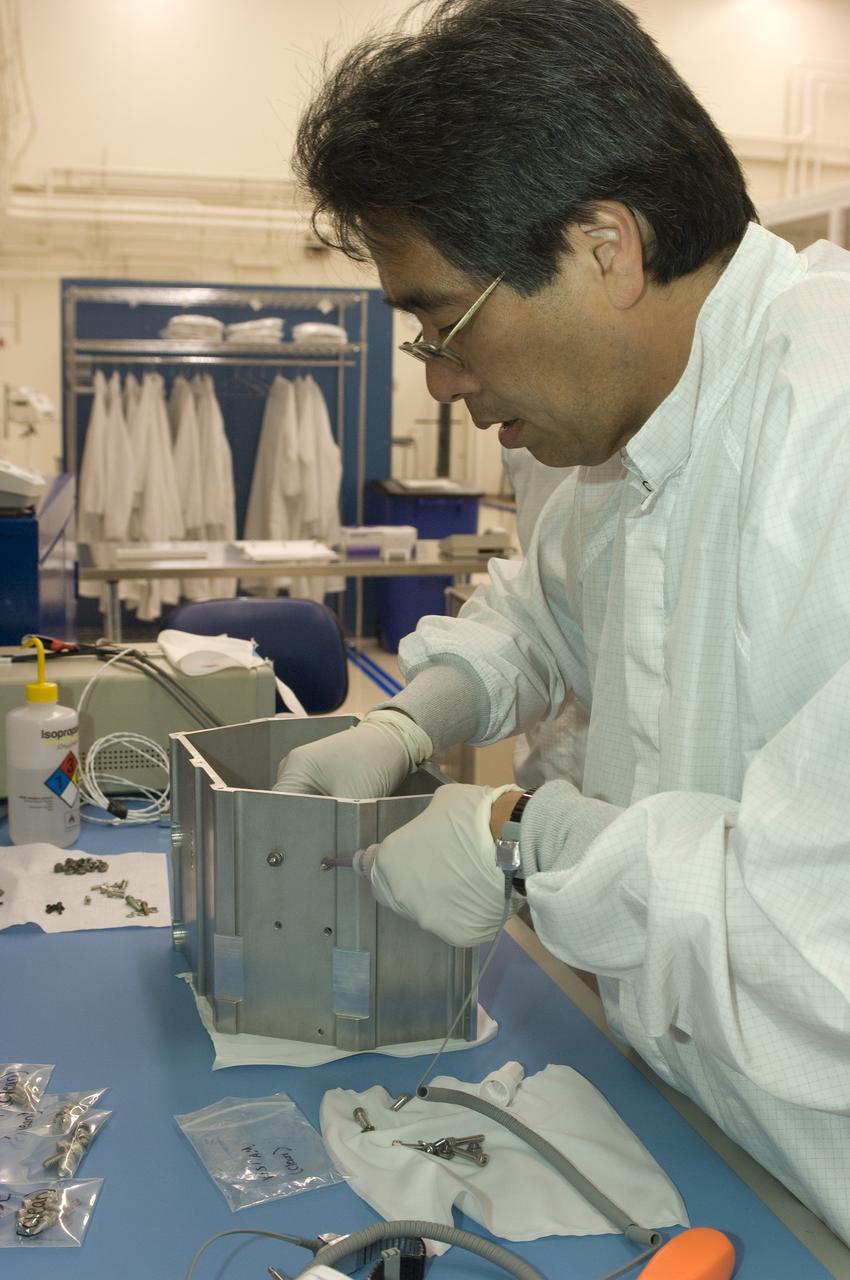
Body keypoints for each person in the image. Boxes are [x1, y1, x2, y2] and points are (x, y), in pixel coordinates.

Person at [277, 0, 850, 1245]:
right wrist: (405, 724)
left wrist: (524, 838)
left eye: (445, 320)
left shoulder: (829, 436)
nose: (436, 375)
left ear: (604, 245)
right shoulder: (614, 424)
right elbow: (539, 614)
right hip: (694, 1126)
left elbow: (817, 950)